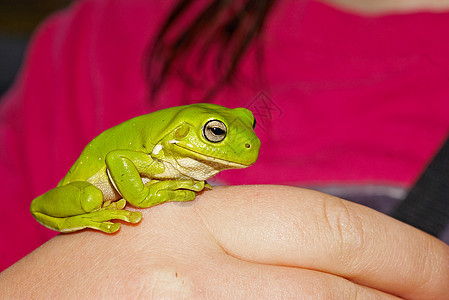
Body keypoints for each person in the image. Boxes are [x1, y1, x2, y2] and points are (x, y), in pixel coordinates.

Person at [0, 0, 448, 297]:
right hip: (87, 191)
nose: (248, 141)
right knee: (91, 198)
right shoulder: (102, 39)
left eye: (249, 126)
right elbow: (118, 160)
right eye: (217, 132)